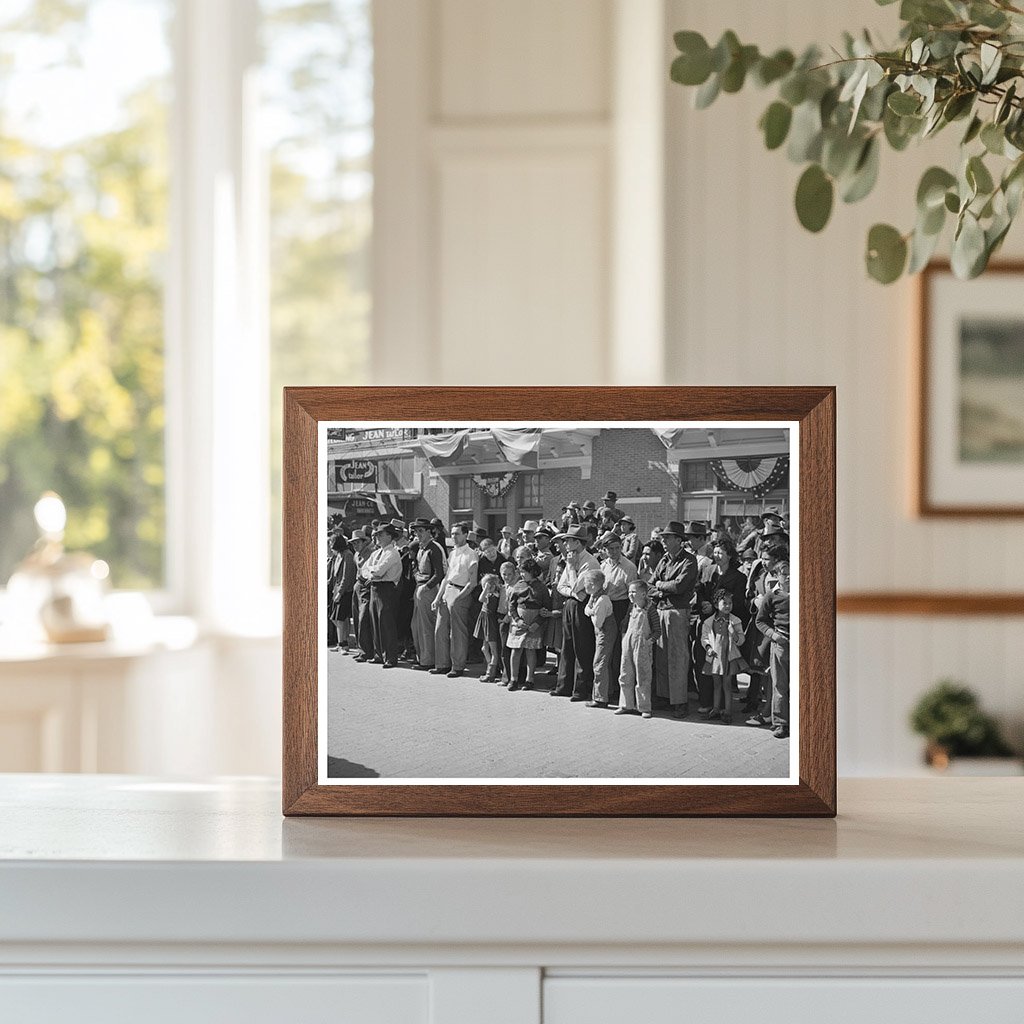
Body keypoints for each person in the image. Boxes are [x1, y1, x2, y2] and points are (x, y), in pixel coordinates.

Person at [649, 521, 699, 718]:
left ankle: (680, 701)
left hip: (678, 612)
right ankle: (665, 697)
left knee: (678, 657)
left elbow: (679, 586)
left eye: (667, 538)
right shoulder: (664, 560)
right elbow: (650, 585)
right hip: (661, 610)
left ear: (679, 540)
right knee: (661, 657)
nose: (664, 540)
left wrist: (660, 586)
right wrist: (661, 589)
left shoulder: (689, 560)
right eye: (663, 537)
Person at [550, 524, 600, 700]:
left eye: (569, 540)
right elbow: (562, 586)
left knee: (582, 646)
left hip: (583, 606)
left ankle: (581, 689)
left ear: (578, 543)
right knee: (567, 646)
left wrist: (571, 567)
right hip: (571, 603)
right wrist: (573, 592)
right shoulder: (569, 558)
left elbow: (580, 587)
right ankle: (564, 685)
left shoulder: (590, 561)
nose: (566, 543)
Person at [431, 521, 479, 678]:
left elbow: (472, 583)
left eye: (457, 534)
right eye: (452, 534)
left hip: (461, 592)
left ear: (466, 535)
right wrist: (438, 596)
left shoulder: (471, 554)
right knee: (440, 629)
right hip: (448, 590)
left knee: (458, 632)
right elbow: (446, 577)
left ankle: (457, 666)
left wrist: (458, 598)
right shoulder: (452, 553)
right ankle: (442, 664)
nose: (454, 537)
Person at [599, 531, 638, 703]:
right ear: (605, 550)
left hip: (622, 607)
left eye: (617, 548)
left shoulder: (629, 566)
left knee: (618, 652)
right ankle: (607, 689)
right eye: (610, 549)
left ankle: (617, 690)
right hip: (606, 607)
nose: (614, 552)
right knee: (604, 650)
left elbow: (632, 596)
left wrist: (627, 617)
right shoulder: (603, 566)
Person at [615, 579, 662, 719]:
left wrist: (649, 642)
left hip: (642, 646)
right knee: (625, 674)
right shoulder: (631, 607)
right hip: (628, 644)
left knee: (643, 677)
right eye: (629, 592)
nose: (630, 595)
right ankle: (625, 704)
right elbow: (625, 623)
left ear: (643, 594)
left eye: (633, 592)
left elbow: (657, 631)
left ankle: (644, 707)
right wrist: (624, 637)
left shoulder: (651, 609)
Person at [754, 559, 790, 739]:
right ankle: (781, 723)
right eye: (784, 573)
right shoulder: (772, 595)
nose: (789, 576)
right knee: (780, 685)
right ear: (776, 576)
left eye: (792, 572)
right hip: (781, 644)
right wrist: (774, 636)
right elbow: (760, 621)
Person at [700, 588, 747, 725]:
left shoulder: (735, 621)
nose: (727, 606)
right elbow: (704, 637)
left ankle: (727, 711)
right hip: (715, 657)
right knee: (716, 684)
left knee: (727, 684)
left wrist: (733, 633)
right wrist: (708, 648)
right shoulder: (709, 621)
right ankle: (715, 709)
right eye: (724, 603)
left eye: (730, 603)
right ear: (716, 605)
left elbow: (741, 640)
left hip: (728, 656)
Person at [361, 523, 403, 668]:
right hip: (375, 587)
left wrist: (373, 573)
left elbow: (379, 571)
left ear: (390, 536)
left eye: (381, 534)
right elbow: (363, 570)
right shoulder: (376, 553)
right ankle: (379, 654)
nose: (377, 537)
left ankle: (390, 657)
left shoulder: (392, 553)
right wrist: (373, 573)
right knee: (375, 622)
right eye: (376, 534)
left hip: (387, 589)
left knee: (387, 623)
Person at [506, 558, 550, 690]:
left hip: (534, 624)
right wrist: (517, 620)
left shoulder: (541, 588)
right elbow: (511, 605)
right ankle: (513, 679)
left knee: (530, 651)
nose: (522, 574)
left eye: (525, 572)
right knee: (516, 649)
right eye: (521, 571)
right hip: (519, 622)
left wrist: (537, 623)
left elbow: (546, 607)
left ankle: (529, 679)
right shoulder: (518, 585)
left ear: (532, 572)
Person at [410, 518, 445, 670]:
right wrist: (417, 578)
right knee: (416, 625)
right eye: (416, 531)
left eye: (421, 531)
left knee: (426, 626)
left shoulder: (434, 548)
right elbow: (416, 568)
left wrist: (426, 586)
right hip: (419, 587)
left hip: (428, 589)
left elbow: (439, 573)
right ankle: (421, 656)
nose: (418, 534)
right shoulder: (421, 548)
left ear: (429, 532)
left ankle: (428, 660)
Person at [583, 569, 616, 709]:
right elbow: (587, 609)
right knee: (603, 663)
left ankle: (600, 698)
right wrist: (591, 611)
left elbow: (598, 623)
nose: (584, 586)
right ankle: (606, 692)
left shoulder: (602, 600)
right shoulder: (595, 597)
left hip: (605, 633)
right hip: (601, 633)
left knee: (599, 664)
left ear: (593, 584)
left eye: (586, 583)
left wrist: (591, 612)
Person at [327, 533, 357, 651]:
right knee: (337, 618)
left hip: (345, 591)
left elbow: (347, 576)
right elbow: (334, 576)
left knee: (339, 618)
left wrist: (340, 592)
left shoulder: (347, 555)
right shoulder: (338, 555)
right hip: (337, 589)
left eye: (331, 542)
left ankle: (343, 644)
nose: (329, 545)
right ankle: (343, 642)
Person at [475, 573, 503, 682]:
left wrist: (487, 589)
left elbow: (481, 599)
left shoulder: (493, 595)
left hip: (490, 622)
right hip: (484, 619)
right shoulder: (489, 595)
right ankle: (490, 668)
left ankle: (491, 673)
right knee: (484, 648)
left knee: (493, 650)